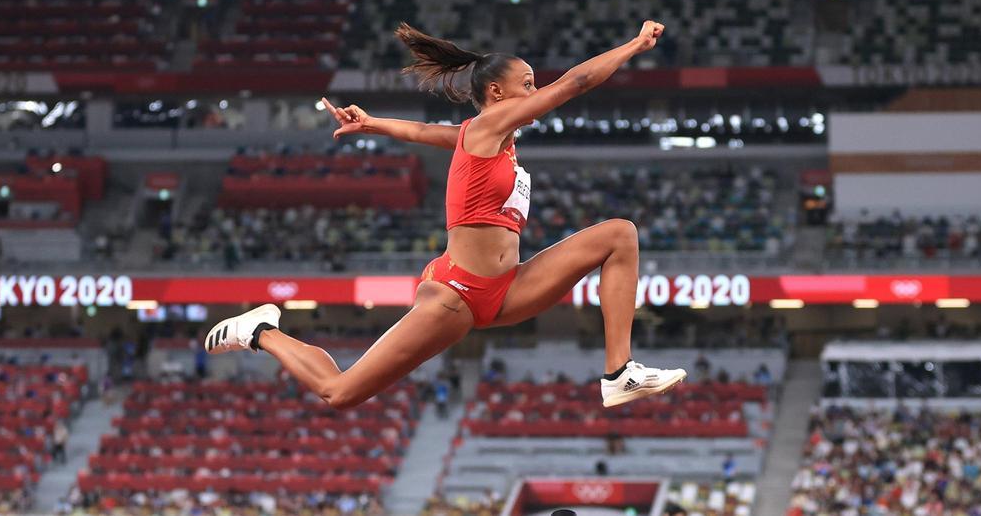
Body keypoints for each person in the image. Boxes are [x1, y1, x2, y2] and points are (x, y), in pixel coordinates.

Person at [205, 21, 686, 409]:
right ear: (496, 93)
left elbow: (422, 131)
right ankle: (261, 331)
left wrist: (373, 123)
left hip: (505, 289)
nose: (536, 92)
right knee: (340, 392)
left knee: (620, 235)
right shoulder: (490, 125)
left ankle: (619, 372)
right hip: (456, 294)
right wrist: (634, 45)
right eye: (528, 85)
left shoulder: (486, 136)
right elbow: (575, 83)